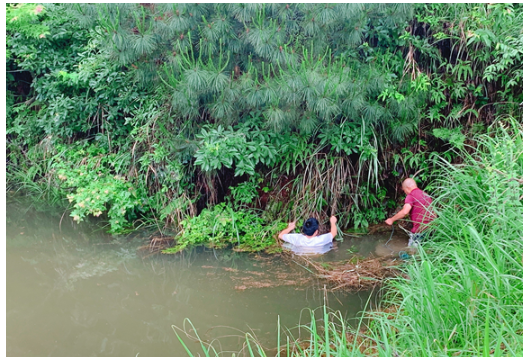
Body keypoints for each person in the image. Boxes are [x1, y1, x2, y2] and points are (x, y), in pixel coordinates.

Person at [385, 178, 435, 247]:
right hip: (431, 229)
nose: (405, 192)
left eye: (404, 190)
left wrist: (391, 219)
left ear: (407, 188)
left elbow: (405, 212)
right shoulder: (426, 195)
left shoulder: (411, 195)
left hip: (420, 230)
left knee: (411, 252)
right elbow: (433, 212)